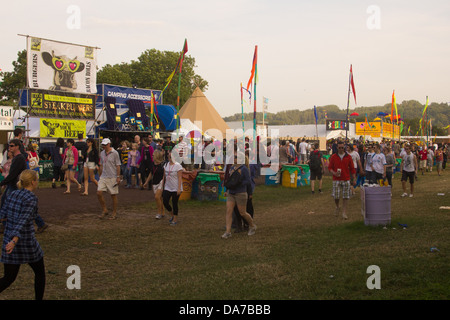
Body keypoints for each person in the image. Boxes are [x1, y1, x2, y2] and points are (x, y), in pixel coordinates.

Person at [0, 170, 45, 300]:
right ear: (32, 182)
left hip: (9, 239)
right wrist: (14, 241)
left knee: (8, 278)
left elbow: (3, 214)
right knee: (40, 273)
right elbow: (23, 221)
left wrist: (11, 239)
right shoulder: (31, 198)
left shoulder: (13, 194)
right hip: (24, 241)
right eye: (37, 180)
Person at [221, 152, 257, 239]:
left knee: (242, 212)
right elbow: (230, 180)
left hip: (240, 192)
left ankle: (252, 225)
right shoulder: (232, 167)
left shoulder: (244, 169)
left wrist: (240, 183)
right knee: (229, 211)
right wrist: (227, 189)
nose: (234, 158)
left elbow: (248, 181)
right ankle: (228, 232)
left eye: (236, 157)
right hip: (231, 193)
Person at [328, 141, 356, 220]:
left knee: (345, 196)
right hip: (336, 179)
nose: (341, 149)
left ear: (344, 148)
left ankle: (344, 212)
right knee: (336, 196)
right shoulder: (334, 156)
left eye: (342, 148)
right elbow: (330, 168)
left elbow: (352, 168)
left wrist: (354, 178)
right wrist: (334, 173)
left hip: (346, 178)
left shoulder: (348, 157)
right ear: (337, 148)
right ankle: (337, 206)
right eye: (339, 148)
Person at [97, 138, 121, 220]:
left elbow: (118, 165)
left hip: (112, 176)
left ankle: (114, 213)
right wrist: (100, 175)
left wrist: (118, 177)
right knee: (99, 192)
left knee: (113, 195)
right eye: (103, 145)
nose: (104, 146)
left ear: (109, 144)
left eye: (105, 145)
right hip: (104, 176)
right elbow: (101, 164)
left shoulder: (115, 153)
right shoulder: (102, 153)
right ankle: (104, 209)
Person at [162, 150, 183, 226]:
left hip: (175, 187)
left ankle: (175, 219)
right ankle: (172, 214)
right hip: (167, 187)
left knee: (174, 203)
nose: (170, 158)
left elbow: (180, 178)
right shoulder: (166, 165)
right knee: (165, 201)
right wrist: (162, 186)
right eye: (169, 156)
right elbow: (164, 176)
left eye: (171, 156)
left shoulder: (178, 166)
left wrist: (179, 188)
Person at [143, 149, 165, 219]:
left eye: (153, 155)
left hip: (161, 182)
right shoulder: (153, 164)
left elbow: (165, 174)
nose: (152, 156)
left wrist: (164, 183)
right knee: (160, 198)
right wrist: (146, 182)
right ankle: (163, 211)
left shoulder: (163, 165)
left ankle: (159, 213)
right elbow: (151, 173)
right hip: (154, 182)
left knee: (157, 197)